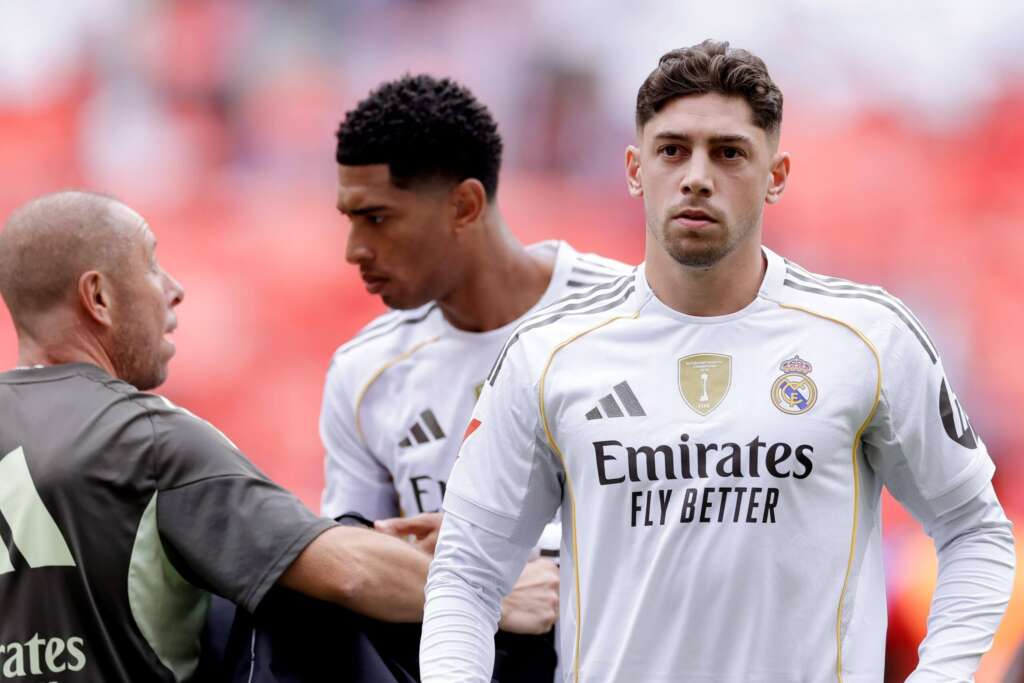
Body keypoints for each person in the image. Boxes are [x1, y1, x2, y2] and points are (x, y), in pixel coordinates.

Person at [420, 40, 1016, 682]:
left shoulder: (868, 338)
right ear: (633, 169)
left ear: (777, 175)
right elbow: (465, 573)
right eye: (672, 149)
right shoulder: (549, 355)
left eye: (729, 153)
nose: (696, 175)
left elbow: (975, 532)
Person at [0, 190, 432, 682]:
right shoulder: (145, 437)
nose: (174, 288)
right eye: (151, 265)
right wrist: (490, 591)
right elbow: (347, 573)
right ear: (98, 297)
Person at [318, 74, 631, 679]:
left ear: (464, 205)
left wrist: (500, 549)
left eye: (377, 218)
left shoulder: (632, 322)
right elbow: (353, 566)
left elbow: (707, 523)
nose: (354, 249)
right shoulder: (364, 373)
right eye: (349, 219)